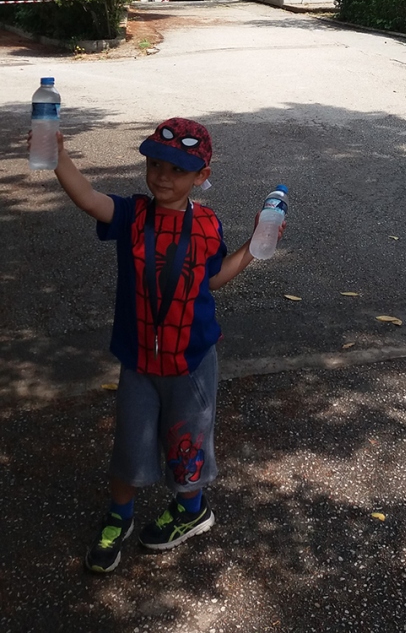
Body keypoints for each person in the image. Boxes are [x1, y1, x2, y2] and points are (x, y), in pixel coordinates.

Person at [48, 116, 268, 574]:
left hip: (191, 360)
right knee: (130, 443)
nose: (163, 177)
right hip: (139, 359)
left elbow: (213, 279)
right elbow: (88, 198)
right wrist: (58, 156)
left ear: (201, 176)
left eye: (177, 170)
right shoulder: (132, 215)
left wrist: (252, 246)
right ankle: (119, 516)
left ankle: (191, 510)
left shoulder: (207, 224)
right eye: (155, 165)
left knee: (187, 441)